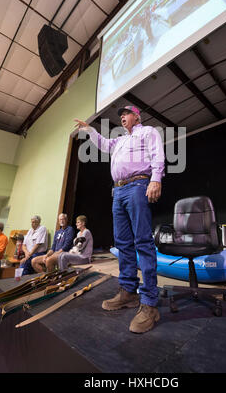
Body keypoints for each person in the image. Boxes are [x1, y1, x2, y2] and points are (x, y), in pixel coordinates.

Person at [74, 105, 165, 334]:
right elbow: (104, 144)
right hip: (118, 191)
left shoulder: (148, 132)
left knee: (142, 241)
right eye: (121, 115)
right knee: (122, 242)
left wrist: (156, 179)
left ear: (137, 116)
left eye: (126, 114)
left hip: (138, 185)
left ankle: (150, 303)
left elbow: (157, 155)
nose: (122, 117)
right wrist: (90, 130)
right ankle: (128, 292)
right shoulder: (121, 140)